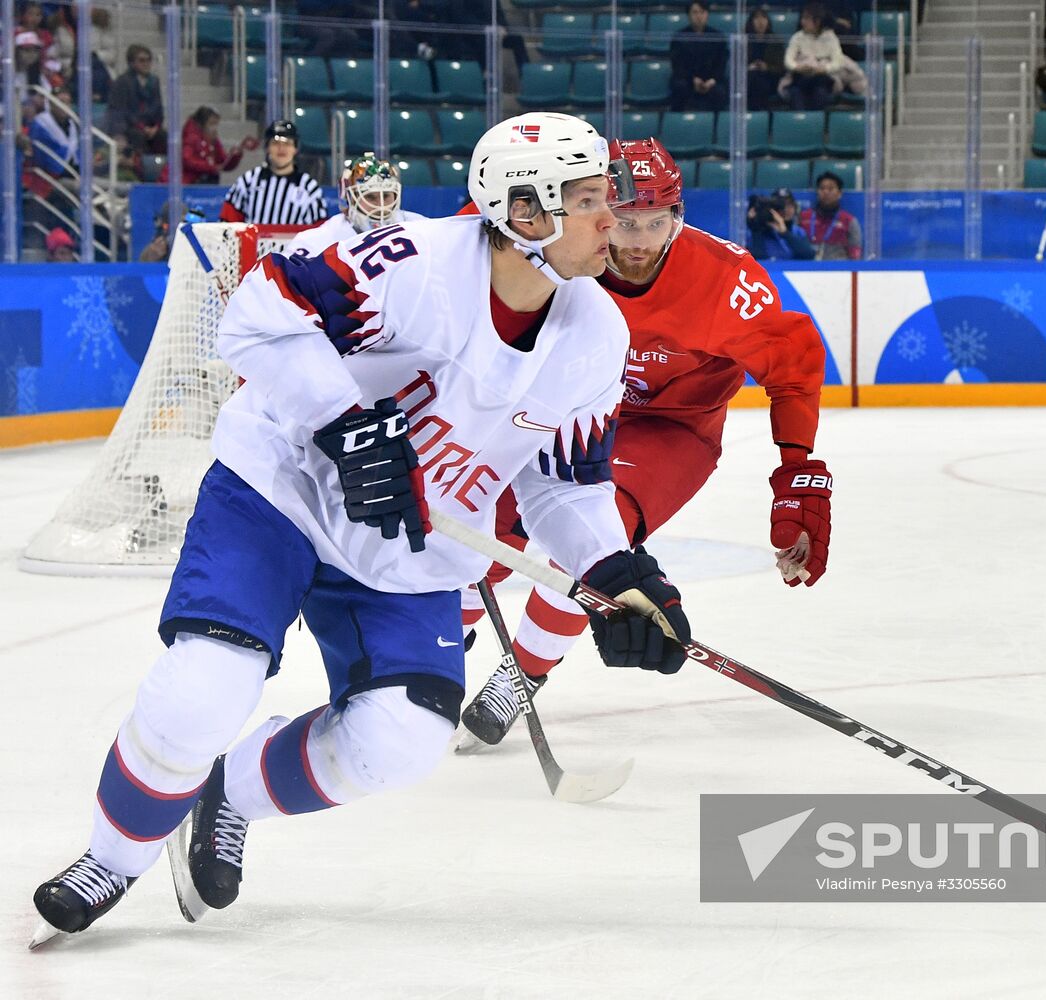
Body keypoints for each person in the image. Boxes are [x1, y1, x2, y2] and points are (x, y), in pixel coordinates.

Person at [29, 111, 692, 945]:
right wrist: (344, 424)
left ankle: (228, 793)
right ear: (525, 213)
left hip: (407, 543)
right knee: (206, 687)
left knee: (402, 740)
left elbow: (564, 485)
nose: (614, 220)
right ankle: (111, 859)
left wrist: (616, 571)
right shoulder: (410, 263)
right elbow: (260, 312)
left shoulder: (597, 335)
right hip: (283, 488)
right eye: (591, 201)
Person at [456, 137, 830, 746]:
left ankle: (520, 675)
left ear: (678, 217)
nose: (638, 242)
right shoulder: (561, 245)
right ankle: (440, 639)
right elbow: (480, 227)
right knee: (479, 526)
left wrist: (798, 470)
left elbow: (793, 362)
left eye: (656, 223)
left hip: (670, 427)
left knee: (598, 539)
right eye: (626, 221)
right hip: (564, 406)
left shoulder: (724, 280)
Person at [287, 154, 425, 258]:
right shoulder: (318, 241)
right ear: (349, 199)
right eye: (370, 197)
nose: (380, 204)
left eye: (386, 195)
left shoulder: (420, 228)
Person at [220, 119, 326, 226]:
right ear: (267, 148)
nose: (281, 148)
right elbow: (227, 226)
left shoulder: (309, 188)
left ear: (295, 149)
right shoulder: (247, 182)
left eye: (287, 143)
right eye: (275, 143)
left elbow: (321, 230)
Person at [782, 2, 848, 110]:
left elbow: (838, 62)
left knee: (820, 92)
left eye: (806, 19)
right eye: (803, 18)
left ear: (817, 21)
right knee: (795, 92)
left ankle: (816, 119)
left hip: (822, 78)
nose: (803, 22)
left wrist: (824, 69)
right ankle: (801, 119)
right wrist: (798, 67)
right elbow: (788, 60)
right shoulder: (797, 37)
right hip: (801, 77)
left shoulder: (830, 38)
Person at [106, 44, 166, 155]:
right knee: (137, 137)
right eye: (142, 60)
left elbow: (158, 107)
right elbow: (120, 110)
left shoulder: (154, 81)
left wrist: (155, 127)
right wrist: (142, 127)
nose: (146, 64)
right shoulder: (122, 82)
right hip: (130, 127)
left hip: (149, 126)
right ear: (132, 63)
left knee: (163, 136)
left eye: (148, 60)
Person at [670, 0, 729, 112]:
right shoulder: (679, 37)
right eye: (695, 12)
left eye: (702, 12)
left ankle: (717, 121)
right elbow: (677, 65)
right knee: (679, 86)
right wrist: (693, 80)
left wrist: (712, 80)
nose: (699, 16)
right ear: (688, 15)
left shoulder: (717, 36)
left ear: (707, 14)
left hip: (711, 80)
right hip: (688, 79)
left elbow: (721, 63)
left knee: (720, 91)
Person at [180, 106, 256, 185]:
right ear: (201, 125)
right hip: (190, 185)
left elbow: (223, 163)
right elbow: (187, 161)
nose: (215, 128)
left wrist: (234, 156)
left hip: (207, 183)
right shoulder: (191, 139)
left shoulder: (214, 141)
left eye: (216, 124)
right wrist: (211, 167)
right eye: (211, 124)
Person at [799, 171, 862, 260]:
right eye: (822, 188)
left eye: (830, 189)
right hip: (806, 267)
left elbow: (855, 255)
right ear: (817, 192)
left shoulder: (849, 221)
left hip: (838, 267)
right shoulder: (803, 217)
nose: (825, 192)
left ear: (839, 193)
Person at [747, 187, 815, 260]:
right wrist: (756, 227)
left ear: (795, 207)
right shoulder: (758, 231)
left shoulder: (798, 231)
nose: (786, 209)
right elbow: (757, 258)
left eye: (790, 204)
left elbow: (809, 255)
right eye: (780, 206)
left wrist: (785, 233)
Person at [746, 7, 786, 112]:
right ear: (751, 22)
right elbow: (737, 66)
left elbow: (781, 68)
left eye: (763, 17)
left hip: (770, 78)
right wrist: (749, 67)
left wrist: (767, 67)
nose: (760, 21)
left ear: (768, 21)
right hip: (749, 77)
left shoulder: (775, 41)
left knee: (759, 81)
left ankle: (754, 112)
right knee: (754, 77)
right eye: (756, 18)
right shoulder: (745, 41)